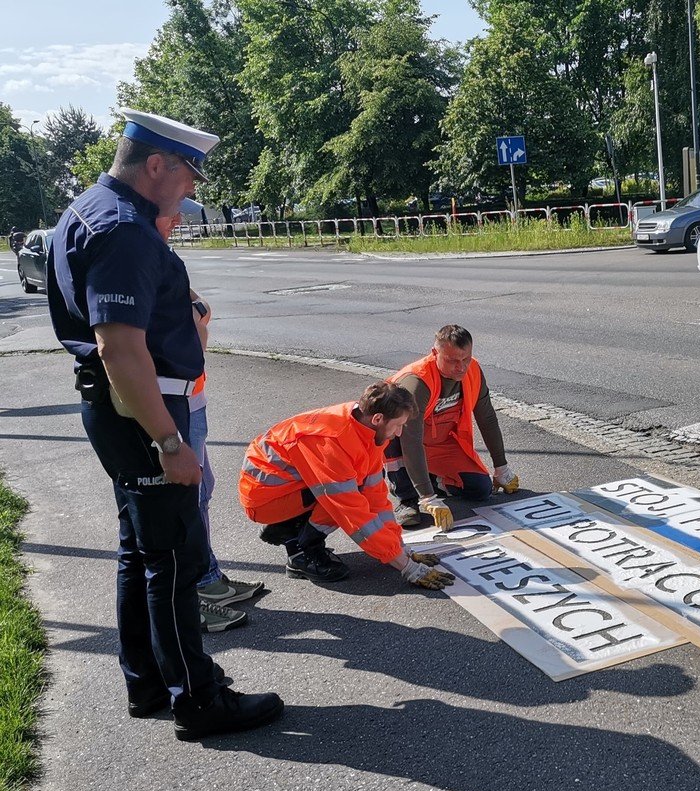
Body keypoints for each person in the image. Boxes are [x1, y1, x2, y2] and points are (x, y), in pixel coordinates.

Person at [45, 107, 282, 740]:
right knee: (172, 563)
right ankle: (198, 699)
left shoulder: (89, 209)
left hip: (121, 410)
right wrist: (170, 441)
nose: (194, 189)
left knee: (143, 554)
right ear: (157, 165)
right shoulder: (123, 228)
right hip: (143, 414)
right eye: (189, 174)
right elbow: (121, 348)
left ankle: (149, 683)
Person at [153, 211, 263, 633]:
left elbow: (201, 310)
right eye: (171, 214)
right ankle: (196, 590)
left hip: (190, 395)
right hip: (173, 400)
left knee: (202, 491)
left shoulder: (161, 257)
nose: (179, 217)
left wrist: (195, 311)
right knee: (185, 498)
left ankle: (208, 577)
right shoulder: (141, 257)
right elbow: (192, 316)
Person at [239, 380, 454, 590]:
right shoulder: (332, 441)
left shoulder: (368, 430)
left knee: (356, 489)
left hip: (289, 488)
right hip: (266, 499)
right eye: (397, 425)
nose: (399, 433)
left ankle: (290, 531)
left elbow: (376, 497)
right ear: (378, 418)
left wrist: (400, 548)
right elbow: (354, 513)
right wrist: (407, 567)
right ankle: (301, 551)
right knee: (346, 496)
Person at [384, 325, 519, 532]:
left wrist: (501, 468)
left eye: (465, 359)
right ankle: (408, 498)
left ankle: (430, 480)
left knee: (480, 488)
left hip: (440, 443)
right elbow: (410, 441)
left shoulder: (473, 370)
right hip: (404, 441)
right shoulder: (416, 383)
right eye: (453, 361)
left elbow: (487, 417)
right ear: (435, 353)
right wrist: (428, 498)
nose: (461, 367)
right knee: (393, 434)